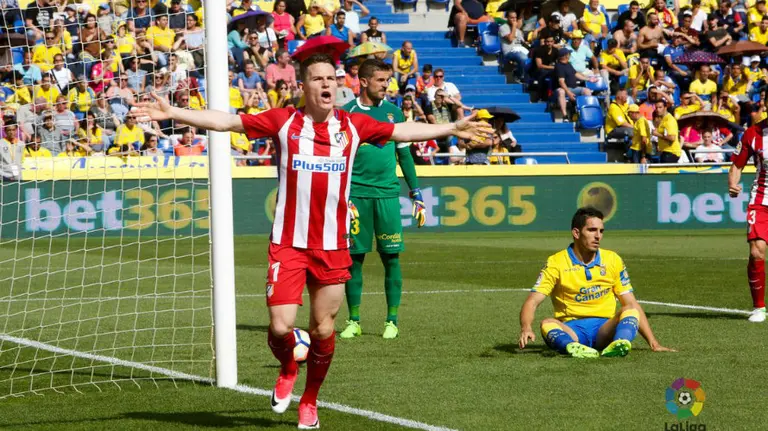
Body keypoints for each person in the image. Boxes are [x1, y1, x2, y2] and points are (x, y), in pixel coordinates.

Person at [134, 53, 492, 429]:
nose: (326, 84)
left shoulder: (354, 126)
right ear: (302, 86)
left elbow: (402, 131)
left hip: (334, 246)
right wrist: (173, 112)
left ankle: (309, 400)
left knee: (323, 329)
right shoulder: (284, 121)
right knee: (279, 327)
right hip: (289, 242)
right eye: (318, 79)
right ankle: (288, 367)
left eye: (331, 78)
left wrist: (451, 129)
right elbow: (227, 122)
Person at [339, 58, 425, 340]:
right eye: (380, 80)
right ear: (363, 82)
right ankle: (354, 320)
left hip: (387, 195)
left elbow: (404, 155)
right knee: (354, 259)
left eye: (388, 81)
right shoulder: (345, 114)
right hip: (355, 196)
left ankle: (392, 320)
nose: (386, 86)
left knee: (391, 258)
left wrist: (415, 192)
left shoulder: (394, 113)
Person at [518, 207, 675, 358]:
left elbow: (631, 302)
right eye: (592, 230)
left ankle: (619, 344)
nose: (598, 236)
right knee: (547, 323)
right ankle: (571, 347)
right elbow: (532, 301)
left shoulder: (613, 260)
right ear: (576, 233)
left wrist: (654, 343)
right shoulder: (556, 262)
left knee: (631, 309)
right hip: (573, 329)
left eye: (601, 231)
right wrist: (526, 328)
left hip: (604, 330)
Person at [726, 119, 768, 322]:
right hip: (761, 199)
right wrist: (733, 183)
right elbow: (737, 164)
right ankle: (759, 307)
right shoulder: (753, 133)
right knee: (756, 250)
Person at [554, 49, 594, 122]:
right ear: (565, 56)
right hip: (563, 89)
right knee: (561, 92)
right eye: (569, 54)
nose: (570, 55)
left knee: (587, 91)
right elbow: (561, 82)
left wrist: (588, 79)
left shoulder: (568, 64)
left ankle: (586, 114)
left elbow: (576, 74)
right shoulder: (559, 66)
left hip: (574, 88)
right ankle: (565, 116)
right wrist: (569, 93)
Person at [499, 10, 527, 83]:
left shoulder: (518, 30)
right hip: (509, 51)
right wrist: (514, 27)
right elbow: (510, 39)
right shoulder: (503, 27)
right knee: (523, 57)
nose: (514, 19)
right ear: (507, 18)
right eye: (512, 18)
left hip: (520, 49)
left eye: (515, 18)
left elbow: (523, 42)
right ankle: (518, 75)